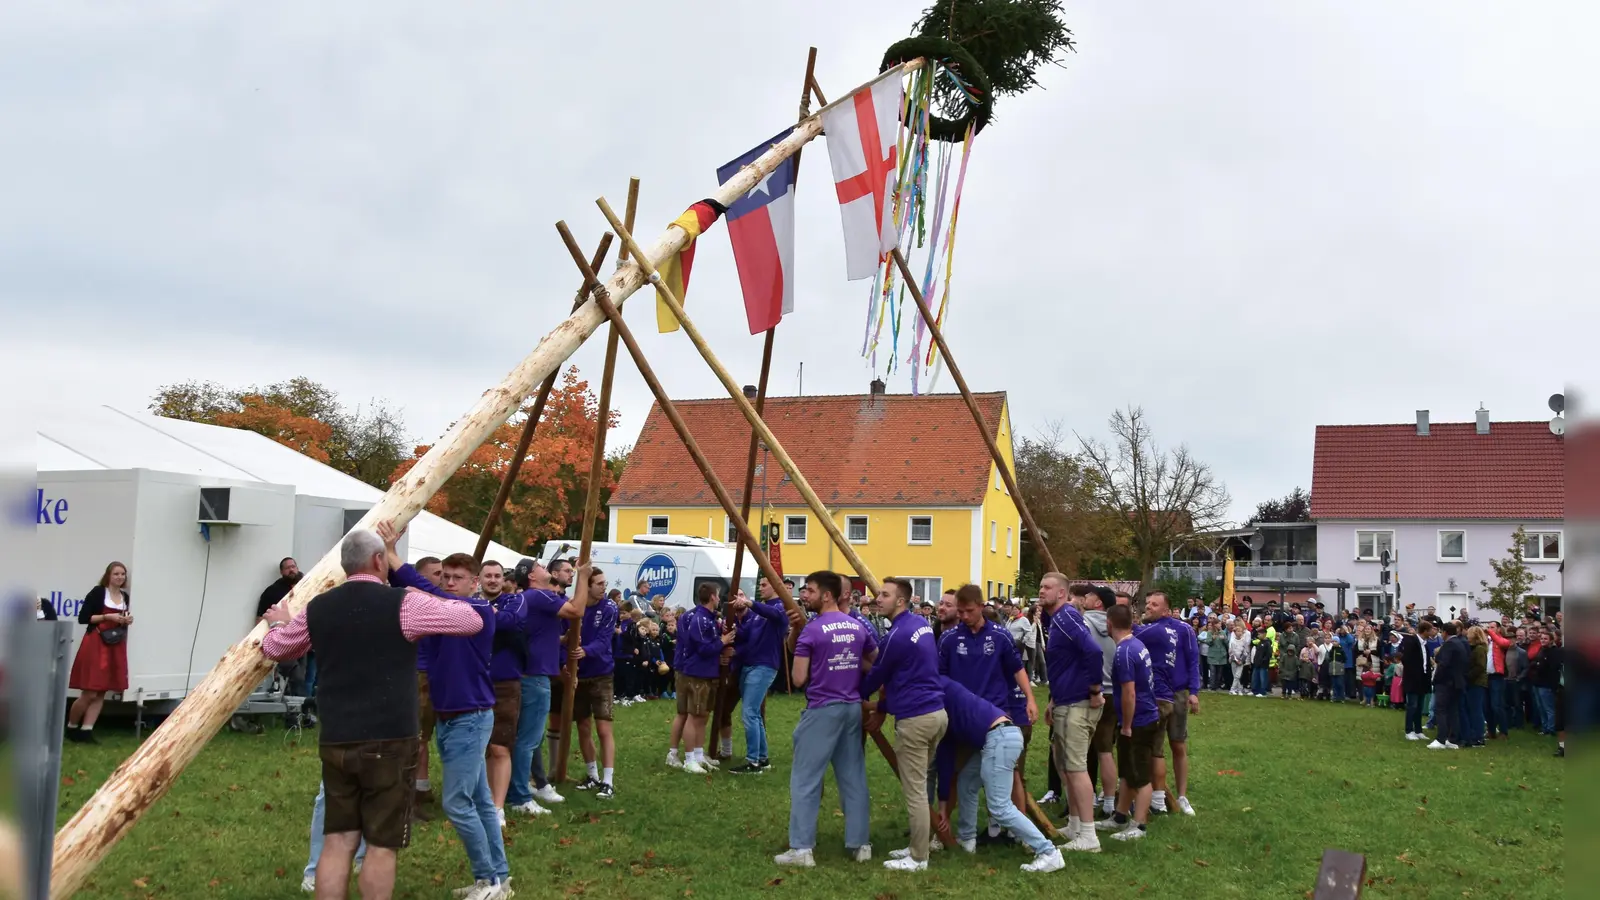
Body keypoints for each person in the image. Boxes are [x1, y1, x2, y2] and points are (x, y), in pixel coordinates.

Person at [260, 526, 486, 900]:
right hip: (390, 739)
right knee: (382, 844)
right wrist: (420, 592)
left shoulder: (319, 608)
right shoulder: (403, 604)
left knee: (338, 840)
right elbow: (471, 620)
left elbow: (276, 648)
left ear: (346, 565)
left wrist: (280, 622)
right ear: (379, 560)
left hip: (337, 738)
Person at [395, 544, 522, 899]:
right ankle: (499, 879)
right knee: (480, 801)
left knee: (456, 803)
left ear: (474, 583)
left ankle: (488, 881)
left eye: (458, 578)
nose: (450, 583)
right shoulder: (443, 614)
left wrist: (393, 558)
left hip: (470, 717)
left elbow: (433, 594)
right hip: (452, 718)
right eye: (446, 577)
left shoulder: (478, 610)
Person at [774, 571, 877, 868]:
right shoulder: (858, 625)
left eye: (810, 590)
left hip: (822, 708)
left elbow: (798, 678)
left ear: (827, 595)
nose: (805, 595)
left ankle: (801, 848)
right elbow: (875, 661)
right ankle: (861, 844)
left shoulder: (813, 630)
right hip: (852, 707)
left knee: (805, 779)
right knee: (853, 777)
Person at [860, 577, 948, 872]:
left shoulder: (896, 634)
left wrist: (856, 694)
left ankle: (919, 857)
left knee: (915, 791)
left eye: (885, 595)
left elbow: (878, 673)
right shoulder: (921, 624)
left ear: (901, 601)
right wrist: (883, 705)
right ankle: (917, 846)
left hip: (916, 718)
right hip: (936, 713)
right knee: (920, 785)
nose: (878, 599)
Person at [938, 584, 1037, 843]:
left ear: (982, 607)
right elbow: (939, 678)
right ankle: (944, 830)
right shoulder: (949, 639)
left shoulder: (1000, 636)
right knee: (955, 772)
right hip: (961, 717)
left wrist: (1030, 698)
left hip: (995, 715)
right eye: (960, 611)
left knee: (1011, 774)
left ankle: (1018, 833)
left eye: (969, 611)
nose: (964, 616)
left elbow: (1017, 669)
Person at [934, 677, 1064, 873]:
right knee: (966, 783)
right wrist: (944, 806)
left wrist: (943, 806)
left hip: (999, 738)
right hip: (999, 735)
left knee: (1000, 806)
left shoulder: (937, 694)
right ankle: (967, 840)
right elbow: (947, 754)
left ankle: (1048, 852)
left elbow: (945, 754)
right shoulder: (942, 686)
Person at [506, 562, 583, 818]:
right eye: (538, 565)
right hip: (535, 677)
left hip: (530, 674)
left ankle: (528, 785)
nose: (543, 566)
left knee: (528, 739)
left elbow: (536, 633)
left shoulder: (528, 598)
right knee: (528, 741)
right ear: (531, 575)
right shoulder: (539, 595)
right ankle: (519, 796)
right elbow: (576, 609)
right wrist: (583, 576)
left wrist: (560, 640)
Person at [1037, 576, 1106, 852]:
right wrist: (1054, 700)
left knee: (1076, 768)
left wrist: (1095, 689)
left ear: (1062, 593)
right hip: (1065, 700)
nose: (1041, 591)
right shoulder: (1058, 619)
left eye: (1047, 587)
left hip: (1078, 703)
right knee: (1066, 766)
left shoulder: (1066, 618)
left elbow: (1093, 652)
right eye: (1040, 587)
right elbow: (1067, 662)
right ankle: (1076, 825)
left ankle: (1089, 836)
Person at [1095, 602, 1159, 841]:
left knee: (1140, 775)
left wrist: (1128, 725)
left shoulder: (1123, 652)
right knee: (1127, 771)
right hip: (1142, 716)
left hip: (1139, 721)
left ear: (1109, 623)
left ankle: (1139, 825)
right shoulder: (1137, 644)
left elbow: (1129, 693)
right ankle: (1120, 816)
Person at [729, 577, 801, 775]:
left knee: (749, 713)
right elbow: (747, 634)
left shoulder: (780, 607)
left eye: (764, 585)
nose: (760, 588)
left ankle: (753, 762)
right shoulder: (758, 611)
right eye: (759, 585)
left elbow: (773, 615)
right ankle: (762, 758)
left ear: (775, 587)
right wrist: (735, 626)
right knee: (754, 714)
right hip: (750, 665)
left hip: (764, 666)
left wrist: (750, 603)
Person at [1136, 592, 1199, 817]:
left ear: (1166, 610)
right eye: (1147, 603)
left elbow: (1193, 659)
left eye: (1154, 604)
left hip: (1178, 692)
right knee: (1155, 747)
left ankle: (1182, 796)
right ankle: (1156, 795)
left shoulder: (1183, 629)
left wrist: (1194, 692)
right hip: (1154, 694)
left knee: (1178, 743)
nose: (1148, 607)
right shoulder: (1146, 629)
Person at [66, 561, 132, 744]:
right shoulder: (98, 593)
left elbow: (122, 620)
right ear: (108, 576)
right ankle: (71, 726)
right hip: (96, 642)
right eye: (116, 574)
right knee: (90, 692)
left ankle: (87, 730)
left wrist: (126, 620)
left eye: (123, 574)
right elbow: (83, 618)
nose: (120, 577)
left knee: (102, 691)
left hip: (114, 644)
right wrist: (107, 616)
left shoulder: (125, 597)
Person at [571, 567, 621, 797]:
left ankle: (608, 781)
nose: (604, 587)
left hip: (602, 674)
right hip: (579, 674)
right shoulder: (575, 606)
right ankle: (592, 775)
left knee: (603, 728)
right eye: (599, 583)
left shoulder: (609, 607)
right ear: (587, 586)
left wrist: (585, 651)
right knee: (583, 726)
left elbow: (604, 641)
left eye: (604, 583)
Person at [1429, 622, 1469, 750]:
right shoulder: (1461, 643)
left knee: (1440, 710)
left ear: (1445, 632)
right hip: (1457, 682)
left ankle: (1441, 739)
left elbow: (1443, 664)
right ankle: (1452, 738)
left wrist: (1436, 679)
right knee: (1453, 710)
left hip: (1446, 682)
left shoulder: (1449, 644)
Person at [1399, 621, 1434, 740]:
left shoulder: (1425, 644)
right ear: (1425, 631)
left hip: (1423, 679)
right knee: (1412, 705)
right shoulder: (1412, 642)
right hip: (1413, 679)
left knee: (1420, 705)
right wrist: (1414, 673)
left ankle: (1418, 730)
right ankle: (1409, 730)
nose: (1432, 632)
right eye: (1430, 630)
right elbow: (1406, 659)